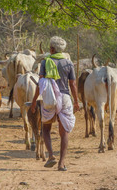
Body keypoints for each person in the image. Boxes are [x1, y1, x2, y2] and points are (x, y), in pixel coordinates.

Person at [30, 36, 80, 171]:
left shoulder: (46, 62)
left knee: (46, 129)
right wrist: (76, 101)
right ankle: (61, 163)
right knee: (64, 133)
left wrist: (34, 102)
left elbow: (40, 85)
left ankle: (51, 156)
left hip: (49, 98)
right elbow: (73, 84)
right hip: (64, 98)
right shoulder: (68, 63)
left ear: (52, 49)